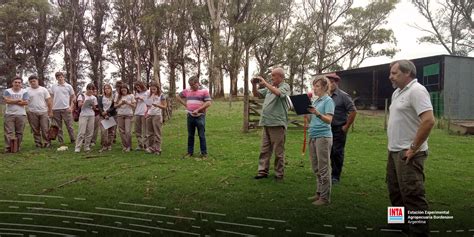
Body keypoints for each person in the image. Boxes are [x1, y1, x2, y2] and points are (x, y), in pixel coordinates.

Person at [387, 60, 435, 236]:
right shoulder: (396, 93)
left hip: (409, 153)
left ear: (407, 73)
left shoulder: (417, 91)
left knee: (413, 195)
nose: (390, 76)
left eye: (394, 73)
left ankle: (419, 232)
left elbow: (429, 120)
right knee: (395, 192)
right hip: (394, 151)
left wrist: (413, 148)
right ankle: (398, 225)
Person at [251, 67, 290, 181]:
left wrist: (266, 83)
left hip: (277, 123)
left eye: (273, 76)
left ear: (281, 77)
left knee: (278, 151)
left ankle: (279, 174)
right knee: (265, 149)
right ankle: (262, 171)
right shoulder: (270, 88)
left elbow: (279, 94)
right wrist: (254, 85)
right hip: (266, 123)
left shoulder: (285, 86)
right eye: (271, 76)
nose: (272, 78)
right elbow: (257, 94)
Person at [306, 76, 335, 206]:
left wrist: (317, 113)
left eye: (317, 86)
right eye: (314, 86)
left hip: (323, 137)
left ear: (324, 87)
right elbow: (312, 120)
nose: (314, 88)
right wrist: (306, 112)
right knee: (316, 167)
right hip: (313, 135)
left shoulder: (328, 101)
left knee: (324, 168)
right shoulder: (316, 101)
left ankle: (325, 198)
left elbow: (329, 120)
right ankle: (318, 193)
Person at [326, 73, 357, 184]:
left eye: (332, 82)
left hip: (339, 128)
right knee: (328, 151)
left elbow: (353, 111)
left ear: (336, 83)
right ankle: (329, 172)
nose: (330, 84)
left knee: (337, 152)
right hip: (327, 128)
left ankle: (335, 176)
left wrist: (346, 126)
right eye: (328, 82)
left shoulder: (343, 96)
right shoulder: (325, 96)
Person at [177, 76, 212, 158]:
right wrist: (185, 104)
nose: (192, 87)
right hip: (190, 116)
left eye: (193, 85)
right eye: (190, 85)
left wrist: (199, 109)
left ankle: (204, 153)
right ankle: (190, 152)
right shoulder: (187, 90)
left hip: (200, 116)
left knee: (201, 135)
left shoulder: (204, 91)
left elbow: (208, 103)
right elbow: (177, 96)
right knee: (190, 135)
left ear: (197, 83)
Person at [3, 76, 29, 153]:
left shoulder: (24, 91)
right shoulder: (7, 91)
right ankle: (8, 147)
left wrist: (13, 101)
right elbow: (7, 101)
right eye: (15, 82)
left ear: (21, 84)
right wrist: (18, 100)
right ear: (12, 83)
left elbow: (25, 102)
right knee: (9, 132)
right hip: (9, 114)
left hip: (21, 114)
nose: (17, 84)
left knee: (19, 132)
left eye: (19, 82)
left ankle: (17, 147)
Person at [26, 75, 53, 148]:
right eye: (31, 82)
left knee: (45, 128)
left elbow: (49, 101)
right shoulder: (27, 90)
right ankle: (38, 143)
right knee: (35, 129)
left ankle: (47, 142)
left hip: (43, 112)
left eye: (34, 81)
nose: (33, 83)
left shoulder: (43, 89)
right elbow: (25, 101)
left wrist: (50, 111)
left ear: (37, 81)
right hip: (32, 112)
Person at [50, 71, 76, 145]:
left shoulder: (68, 86)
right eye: (58, 77)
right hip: (56, 109)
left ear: (63, 77)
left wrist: (71, 107)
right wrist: (51, 109)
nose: (60, 78)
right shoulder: (53, 86)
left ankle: (73, 140)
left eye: (61, 77)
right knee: (58, 127)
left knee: (70, 126)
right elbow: (51, 98)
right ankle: (61, 141)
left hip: (66, 109)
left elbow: (73, 97)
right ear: (56, 78)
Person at [74, 83, 98, 152]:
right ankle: (78, 146)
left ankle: (87, 146)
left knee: (90, 132)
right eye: (89, 89)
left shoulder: (94, 98)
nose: (90, 91)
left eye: (92, 89)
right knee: (82, 131)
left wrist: (93, 105)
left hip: (91, 115)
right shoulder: (82, 96)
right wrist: (85, 103)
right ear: (87, 89)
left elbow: (95, 108)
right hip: (83, 115)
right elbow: (79, 105)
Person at [145, 82, 167, 155]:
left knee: (157, 132)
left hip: (157, 115)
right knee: (150, 133)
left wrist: (158, 105)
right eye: (151, 89)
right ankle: (151, 147)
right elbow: (148, 105)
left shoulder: (162, 95)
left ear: (158, 88)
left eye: (154, 89)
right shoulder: (149, 95)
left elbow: (164, 106)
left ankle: (158, 148)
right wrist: (147, 112)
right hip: (149, 115)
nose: (153, 90)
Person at [114, 84, 136, 152]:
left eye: (125, 88)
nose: (123, 90)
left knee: (128, 131)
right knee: (121, 131)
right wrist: (121, 104)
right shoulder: (118, 96)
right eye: (122, 89)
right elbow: (115, 106)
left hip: (128, 115)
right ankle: (125, 146)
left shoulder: (131, 96)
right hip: (120, 114)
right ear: (120, 90)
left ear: (127, 89)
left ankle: (129, 146)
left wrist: (127, 103)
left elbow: (134, 106)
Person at [97, 84, 116, 152]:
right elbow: (99, 106)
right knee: (103, 131)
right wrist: (104, 114)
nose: (107, 89)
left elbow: (114, 107)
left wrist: (107, 112)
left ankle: (109, 145)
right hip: (103, 116)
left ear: (111, 89)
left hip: (111, 115)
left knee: (111, 132)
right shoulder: (101, 97)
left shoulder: (113, 97)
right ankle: (104, 145)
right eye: (105, 88)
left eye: (108, 88)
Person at [133, 81, 149, 150]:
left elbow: (148, 101)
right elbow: (135, 103)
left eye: (138, 86)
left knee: (145, 130)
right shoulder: (136, 93)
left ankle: (146, 144)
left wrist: (141, 98)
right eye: (136, 87)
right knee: (137, 130)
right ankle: (140, 144)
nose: (137, 88)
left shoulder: (147, 92)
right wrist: (135, 99)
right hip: (137, 112)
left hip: (144, 112)